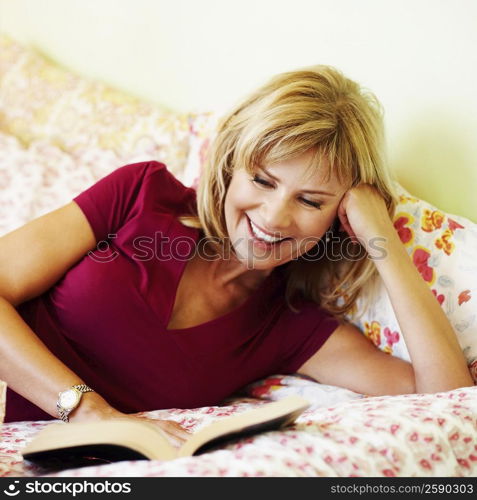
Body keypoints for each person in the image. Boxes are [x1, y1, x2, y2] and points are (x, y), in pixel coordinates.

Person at [0, 65, 472, 446]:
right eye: (263, 181)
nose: (274, 215)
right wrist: (88, 411)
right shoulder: (140, 194)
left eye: (311, 201)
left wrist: (382, 241)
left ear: (338, 217)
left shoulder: (290, 325)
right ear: (230, 165)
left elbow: (447, 405)